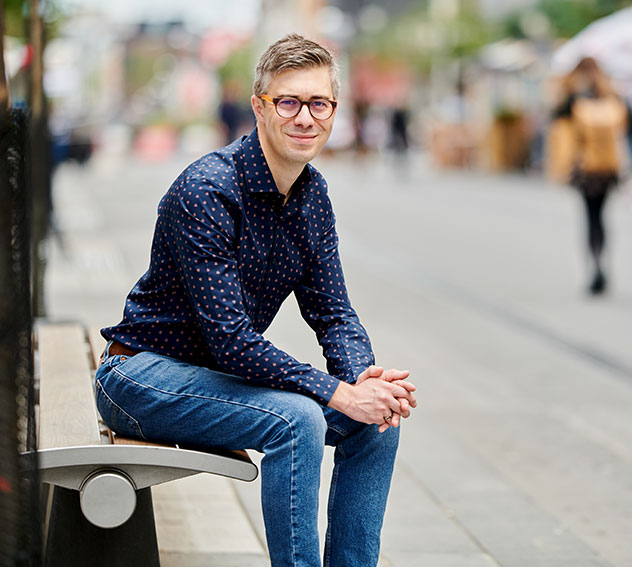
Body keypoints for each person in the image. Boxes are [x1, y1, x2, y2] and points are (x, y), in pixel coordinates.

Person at [95, 34, 417, 567]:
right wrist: (337, 392)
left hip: (216, 381)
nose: (305, 118)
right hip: (140, 376)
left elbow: (334, 313)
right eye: (288, 102)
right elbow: (231, 341)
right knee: (298, 419)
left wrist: (362, 381)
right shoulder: (208, 191)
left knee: (376, 422)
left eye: (319, 103)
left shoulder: (312, 197)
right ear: (259, 107)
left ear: (334, 109)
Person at [553, 57, 631, 295]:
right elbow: (631, 125)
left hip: (585, 168)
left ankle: (595, 264)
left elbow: (555, 117)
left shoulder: (574, 99)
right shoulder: (612, 97)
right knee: (602, 217)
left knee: (591, 217)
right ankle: (601, 263)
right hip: (608, 168)